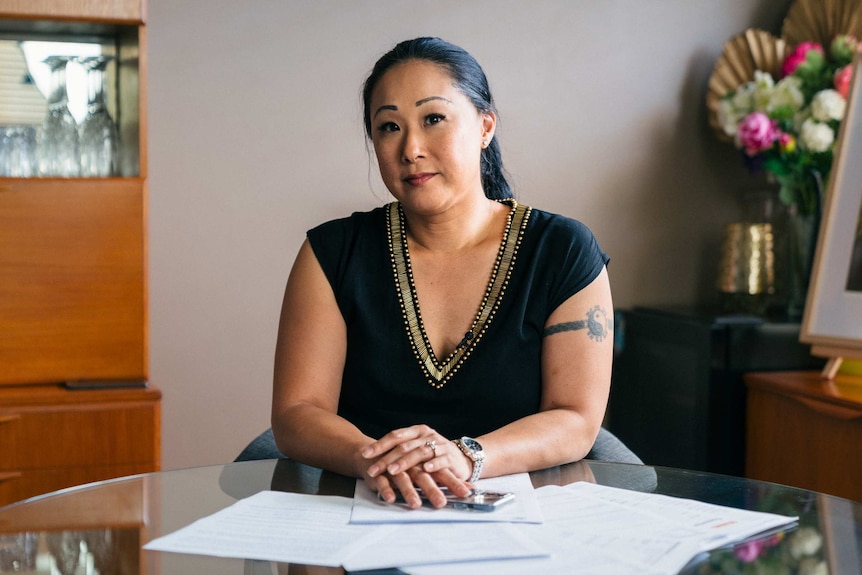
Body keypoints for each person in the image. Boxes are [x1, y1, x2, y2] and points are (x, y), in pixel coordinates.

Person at [271, 37, 613, 510]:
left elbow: (575, 417)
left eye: (434, 119)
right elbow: (297, 412)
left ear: (485, 126)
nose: (411, 148)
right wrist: (381, 460)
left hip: (523, 511)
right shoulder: (332, 253)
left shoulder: (562, 250)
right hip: (365, 505)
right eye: (389, 127)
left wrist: (463, 456)